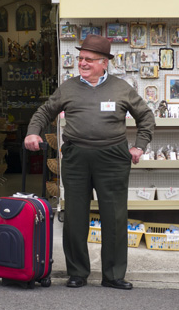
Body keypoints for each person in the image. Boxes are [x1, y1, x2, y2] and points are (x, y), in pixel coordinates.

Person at [24, 35, 155, 290]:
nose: (82, 63)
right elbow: (45, 111)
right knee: (74, 216)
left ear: (104, 63)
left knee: (114, 217)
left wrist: (140, 145)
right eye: (80, 58)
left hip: (113, 158)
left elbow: (145, 117)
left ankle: (114, 274)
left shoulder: (121, 88)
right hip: (76, 157)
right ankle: (77, 272)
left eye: (89, 59)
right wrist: (33, 131)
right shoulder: (69, 87)